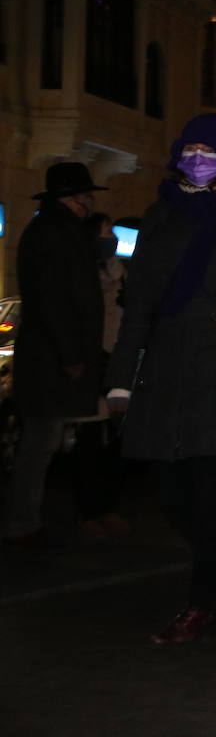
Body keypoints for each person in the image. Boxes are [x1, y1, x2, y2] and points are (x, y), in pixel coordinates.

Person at [106, 115, 216, 644]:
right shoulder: (160, 215)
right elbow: (138, 303)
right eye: (191, 148)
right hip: (165, 368)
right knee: (170, 494)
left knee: (213, 494)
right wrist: (120, 380)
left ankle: (203, 603)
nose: (198, 157)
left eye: (209, 149)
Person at [4, 163, 107, 549]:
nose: (89, 204)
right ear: (75, 198)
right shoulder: (56, 234)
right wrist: (70, 354)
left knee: (42, 442)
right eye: (85, 196)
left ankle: (25, 520)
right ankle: (22, 523)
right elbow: (54, 300)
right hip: (51, 361)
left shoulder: (52, 231)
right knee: (40, 443)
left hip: (49, 357)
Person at [70, 212, 130, 540]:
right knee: (90, 443)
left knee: (115, 445)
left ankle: (109, 507)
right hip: (93, 364)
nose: (112, 237)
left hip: (115, 363)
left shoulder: (119, 272)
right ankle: (89, 512)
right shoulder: (81, 273)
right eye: (106, 231)